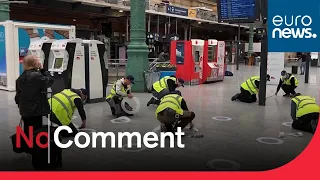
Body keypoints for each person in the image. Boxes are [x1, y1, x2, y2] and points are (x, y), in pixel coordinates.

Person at [15, 55, 53, 141]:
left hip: (24, 110)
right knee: (37, 130)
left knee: (28, 129)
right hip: (36, 110)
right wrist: (43, 69)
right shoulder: (37, 76)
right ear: (35, 63)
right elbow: (50, 81)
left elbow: (17, 96)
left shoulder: (20, 78)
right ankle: (35, 150)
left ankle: (29, 146)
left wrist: (21, 106)